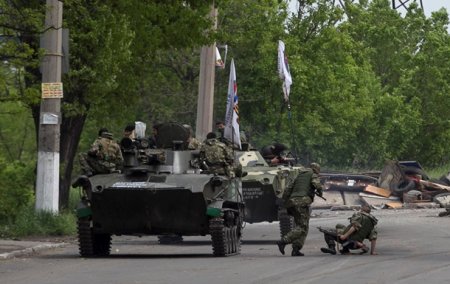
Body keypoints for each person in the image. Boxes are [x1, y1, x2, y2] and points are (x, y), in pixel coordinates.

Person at [276, 163, 323, 256]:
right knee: (302, 227)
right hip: (302, 202)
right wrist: (320, 191)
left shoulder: (298, 175)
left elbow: (287, 189)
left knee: (302, 225)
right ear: (316, 170)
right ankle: (283, 241)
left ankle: (296, 249)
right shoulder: (312, 174)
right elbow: (317, 184)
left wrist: (286, 203)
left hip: (292, 202)